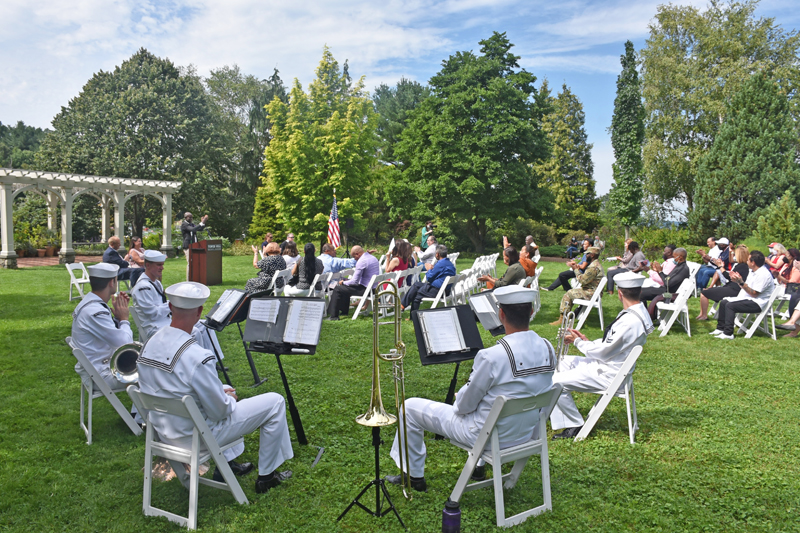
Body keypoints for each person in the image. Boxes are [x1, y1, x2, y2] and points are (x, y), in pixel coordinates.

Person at [385, 285, 555, 491]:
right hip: (525, 435)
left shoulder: (491, 356)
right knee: (489, 404)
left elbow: (463, 407)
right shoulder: (548, 346)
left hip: (486, 437)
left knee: (409, 407)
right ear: (531, 312)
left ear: (501, 314)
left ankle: (413, 476)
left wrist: (462, 395)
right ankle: (478, 467)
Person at [137, 282, 293, 493]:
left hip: (166, 432)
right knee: (275, 402)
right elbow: (219, 412)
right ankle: (267, 476)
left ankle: (226, 466)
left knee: (223, 387)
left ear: (171, 308)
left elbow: (171, 388)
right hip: (198, 436)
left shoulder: (149, 344)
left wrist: (220, 392)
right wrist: (228, 398)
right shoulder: (196, 356)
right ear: (200, 310)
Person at [549, 271, 654, 439]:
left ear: (620, 293)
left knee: (554, 381)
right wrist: (586, 340)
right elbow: (613, 344)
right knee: (560, 362)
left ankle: (573, 425)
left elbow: (604, 353)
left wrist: (579, 342)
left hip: (609, 374)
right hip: (610, 365)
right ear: (639, 292)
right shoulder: (636, 312)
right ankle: (555, 407)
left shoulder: (630, 320)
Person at [70, 263, 142, 422]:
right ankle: (141, 419)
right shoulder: (96, 311)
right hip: (101, 374)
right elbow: (125, 343)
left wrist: (116, 318)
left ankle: (140, 416)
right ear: (112, 282)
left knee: (148, 364)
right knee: (152, 371)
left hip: (95, 368)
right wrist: (123, 320)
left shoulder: (89, 304)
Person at [130, 250, 228, 359]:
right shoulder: (142, 287)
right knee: (194, 331)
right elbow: (151, 314)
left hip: (165, 322)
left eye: (162, 265)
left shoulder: (155, 283)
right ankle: (198, 361)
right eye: (158, 265)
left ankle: (214, 359)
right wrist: (173, 304)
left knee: (206, 325)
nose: (162, 268)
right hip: (154, 327)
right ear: (147, 265)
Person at [710, 250, 775, 340]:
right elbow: (747, 287)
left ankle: (728, 333)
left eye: (748, 260)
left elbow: (754, 294)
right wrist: (737, 281)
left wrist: (740, 282)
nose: (747, 261)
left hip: (758, 303)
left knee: (730, 306)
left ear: (753, 262)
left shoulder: (763, 274)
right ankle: (720, 328)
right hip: (749, 298)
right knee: (724, 302)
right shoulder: (753, 271)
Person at [550, 246, 604, 326]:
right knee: (571, 292)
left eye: (587, 254)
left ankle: (563, 319)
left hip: (591, 293)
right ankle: (565, 316)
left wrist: (575, 269)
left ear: (592, 255)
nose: (585, 256)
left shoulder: (593, 267)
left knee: (568, 294)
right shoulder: (595, 264)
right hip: (593, 291)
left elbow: (582, 280)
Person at [696, 245, 750, 320]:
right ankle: (702, 314)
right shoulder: (743, 265)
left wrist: (720, 266)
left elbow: (728, 276)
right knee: (705, 292)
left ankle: (703, 315)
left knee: (704, 293)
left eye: (735, 254)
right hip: (732, 288)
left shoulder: (742, 266)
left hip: (734, 290)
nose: (734, 256)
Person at [326, 246, 380, 320]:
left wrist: (344, 282)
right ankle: (344, 311)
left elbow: (354, 281)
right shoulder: (373, 258)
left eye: (354, 257)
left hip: (365, 290)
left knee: (338, 289)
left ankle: (334, 316)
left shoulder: (361, 261)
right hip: (374, 289)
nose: (354, 259)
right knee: (345, 287)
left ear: (357, 254)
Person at [401, 245, 456, 313]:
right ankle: (403, 305)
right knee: (416, 285)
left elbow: (429, 278)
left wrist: (428, 270)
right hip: (445, 291)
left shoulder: (440, 264)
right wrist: (432, 269)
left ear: (437, 254)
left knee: (417, 295)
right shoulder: (449, 263)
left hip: (436, 291)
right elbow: (437, 274)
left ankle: (413, 316)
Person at [639, 248, 690, 319]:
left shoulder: (683, 269)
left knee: (640, 293)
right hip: (665, 289)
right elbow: (668, 278)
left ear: (680, 257)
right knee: (640, 291)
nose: (673, 259)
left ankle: (645, 317)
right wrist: (658, 271)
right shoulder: (679, 266)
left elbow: (668, 283)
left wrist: (660, 272)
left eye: (674, 257)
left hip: (669, 292)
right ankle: (645, 315)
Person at [181, 212, 208, 279]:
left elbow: (199, 229)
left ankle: (195, 278)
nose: (191, 218)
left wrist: (203, 223)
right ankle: (188, 279)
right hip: (188, 246)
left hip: (194, 246)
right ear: (185, 217)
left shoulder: (191, 224)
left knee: (195, 263)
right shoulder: (184, 225)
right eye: (189, 217)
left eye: (191, 217)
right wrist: (202, 222)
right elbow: (193, 230)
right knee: (190, 263)